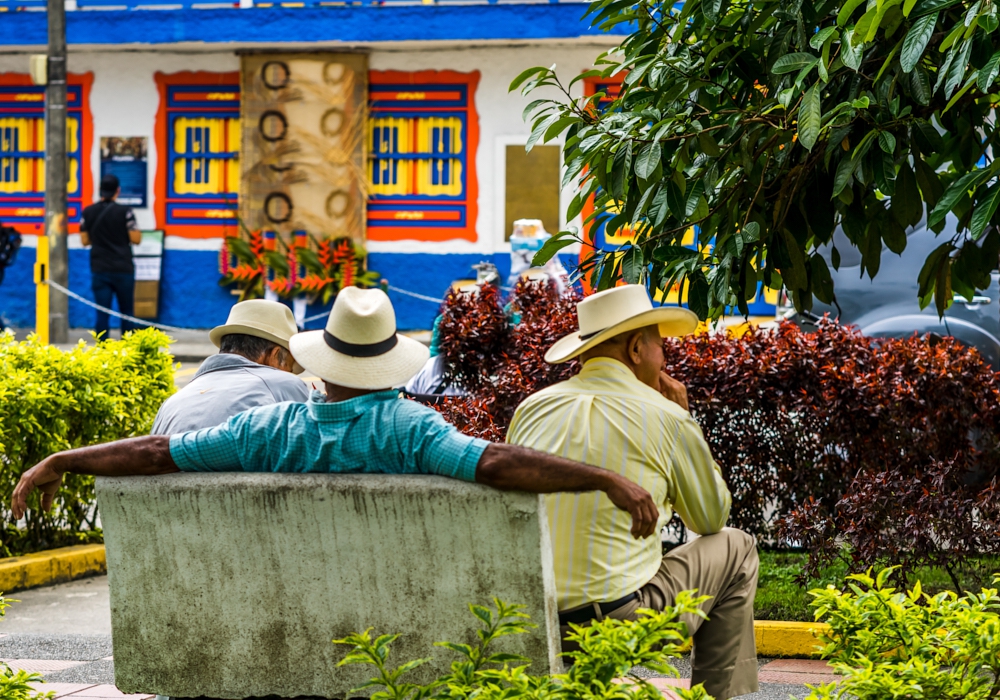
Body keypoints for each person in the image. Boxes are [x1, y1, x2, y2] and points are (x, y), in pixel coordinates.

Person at [12, 287, 661, 550]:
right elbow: (497, 463)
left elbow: (156, 454)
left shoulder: (267, 431)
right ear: (388, 362)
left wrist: (62, 459)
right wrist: (605, 479)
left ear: (325, 360)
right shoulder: (411, 432)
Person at [506, 285, 758, 700]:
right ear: (637, 349)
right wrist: (686, 418)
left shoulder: (532, 408)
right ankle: (713, 696)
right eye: (660, 343)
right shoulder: (667, 415)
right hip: (618, 621)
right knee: (738, 548)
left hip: (532, 616)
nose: (665, 357)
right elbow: (710, 519)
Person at [151, 299, 311, 435]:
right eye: (289, 368)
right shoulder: (285, 384)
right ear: (274, 356)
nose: (290, 374)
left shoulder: (171, 403)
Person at [80, 173, 142, 338]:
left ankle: (102, 350)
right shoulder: (125, 212)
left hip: (100, 268)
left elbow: (85, 241)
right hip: (123, 268)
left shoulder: (88, 212)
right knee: (127, 311)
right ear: (118, 191)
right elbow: (136, 239)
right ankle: (128, 348)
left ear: (100, 190)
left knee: (102, 312)